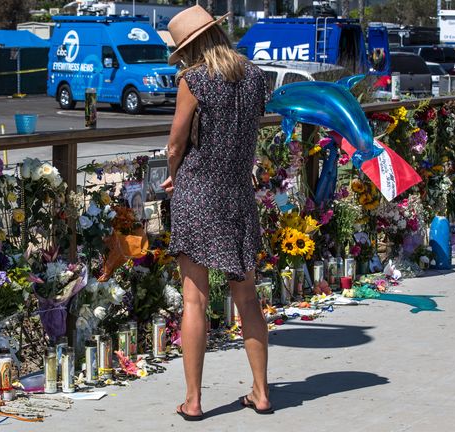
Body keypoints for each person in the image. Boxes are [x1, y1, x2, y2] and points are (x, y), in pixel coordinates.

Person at [161, 6, 273, 421]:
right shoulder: (255, 76)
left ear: (188, 47)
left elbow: (175, 144)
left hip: (198, 194)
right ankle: (261, 393)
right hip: (237, 194)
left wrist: (175, 176)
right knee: (247, 298)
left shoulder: (194, 80)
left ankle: (193, 401)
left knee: (195, 300)